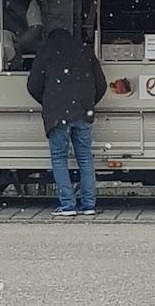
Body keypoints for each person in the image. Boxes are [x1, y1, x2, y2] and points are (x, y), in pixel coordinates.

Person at [26, 27, 106, 217]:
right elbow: (101, 84)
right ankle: (89, 205)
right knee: (85, 158)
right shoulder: (85, 51)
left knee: (59, 158)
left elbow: (33, 85)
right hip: (82, 112)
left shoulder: (45, 52)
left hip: (57, 115)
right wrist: (87, 103)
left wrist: (49, 102)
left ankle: (67, 205)